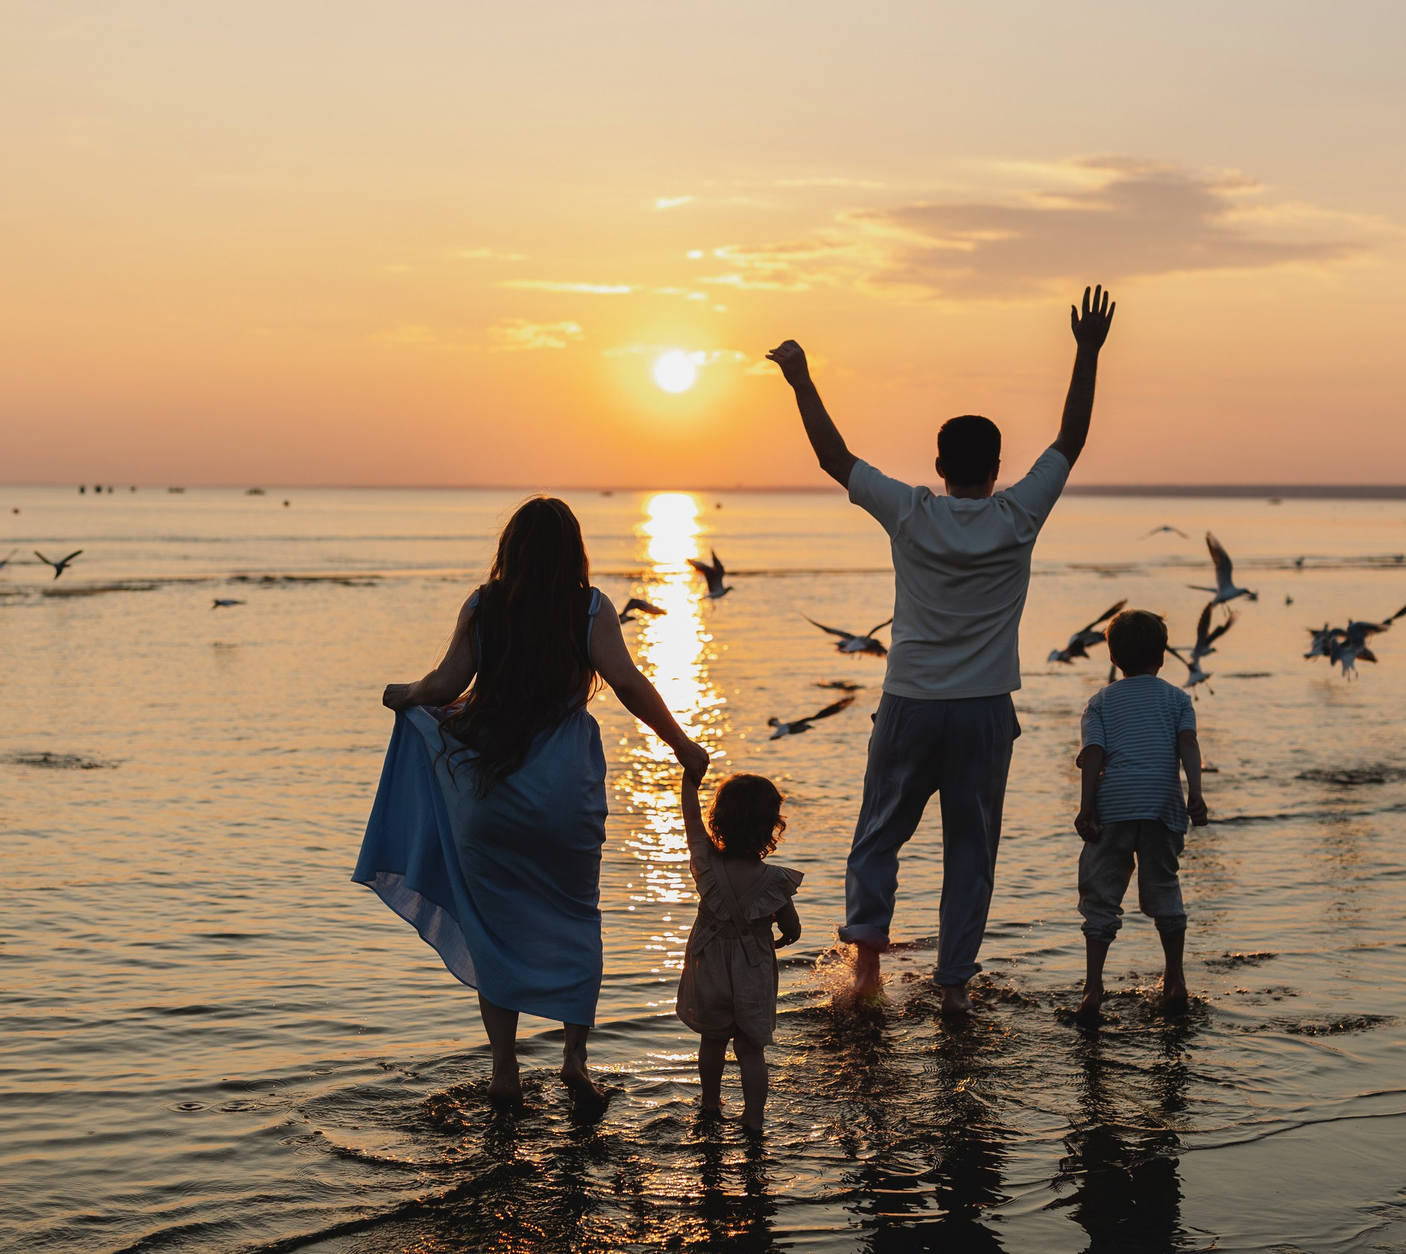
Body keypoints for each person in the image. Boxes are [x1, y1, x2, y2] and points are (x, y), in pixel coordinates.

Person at [769, 284, 1116, 1014]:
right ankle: (953, 986)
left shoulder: (911, 510)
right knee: (971, 852)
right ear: (996, 467)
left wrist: (801, 379)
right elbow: (1071, 439)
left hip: (912, 703)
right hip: (985, 710)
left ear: (937, 462)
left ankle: (865, 966)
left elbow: (835, 457)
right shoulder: (1019, 512)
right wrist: (1086, 352)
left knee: (878, 836)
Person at [356, 496, 709, 1105]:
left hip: (490, 792)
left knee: (494, 927)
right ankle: (575, 1062)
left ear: (510, 550)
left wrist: (403, 694)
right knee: (576, 916)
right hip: (563, 791)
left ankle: (505, 1072)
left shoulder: (486, 605)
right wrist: (682, 746)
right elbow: (626, 682)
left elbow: (444, 687)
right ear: (573, 551)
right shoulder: (590, 607)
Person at [1072, 609, 1208, 1020]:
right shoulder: (1178, 699)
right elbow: (1188, 745)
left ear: (1112, 658)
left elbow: (1092, 756)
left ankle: (1093, 990)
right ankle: (1175, 982)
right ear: (1163, 656)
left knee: (1101, 896)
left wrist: (1087, 807)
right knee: (1164, 887)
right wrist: (1196, 795)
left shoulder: (1100, 702)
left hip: (1113, 806)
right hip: (1162, 806)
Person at [677, 767, 803, 1130]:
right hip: (753, 968)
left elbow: (689, 819)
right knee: (751, 1048)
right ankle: (753, 1118)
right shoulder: (776, 880)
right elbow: (791, 928)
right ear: (771, 826)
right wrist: (783, 935)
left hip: (710, 967)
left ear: (719, 821)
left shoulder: (705, 865)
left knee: (713, 1040)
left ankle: (710, 1103)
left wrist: (689, 779)